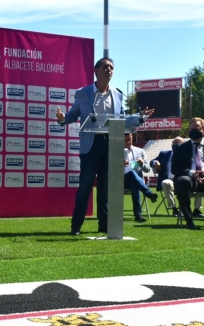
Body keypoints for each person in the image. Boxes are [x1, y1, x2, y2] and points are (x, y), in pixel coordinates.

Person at [55, 57, 154, 235]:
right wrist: (63, 119)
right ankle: (76, 225)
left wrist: (140, 117)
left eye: (111, 68)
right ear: (96, 71)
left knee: (105, 187)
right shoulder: (83, 93)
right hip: (91, 145)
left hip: (111, 144)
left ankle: (104, 224)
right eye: (105, 67)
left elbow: (122, 119)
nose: (109, 70)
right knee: (85, 185)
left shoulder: (117, 94)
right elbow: (73, 114)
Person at [150, 137, 202, 217]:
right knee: (165, 182)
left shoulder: (189, 154)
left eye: (179, 143)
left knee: (199, 180)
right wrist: (155, 162)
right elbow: (151, 161)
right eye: (175, 143)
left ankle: (197, 209)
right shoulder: (164, 154)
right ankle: (174, 209)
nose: (176, 145)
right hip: (170, 181)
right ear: (171, 145)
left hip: (186, 181)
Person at [124, 132, 158, 222]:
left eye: (129, 140)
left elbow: (147, 170)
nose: (128, 142)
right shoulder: (115, 151)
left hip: (135, 181)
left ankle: (138, 215)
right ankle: (148, 193)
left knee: (134, 183)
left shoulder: (140, 151)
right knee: (131, 174)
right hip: (121, 180)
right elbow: (110, 168)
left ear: (132, 139)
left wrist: (142, 163)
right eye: (125, 140)